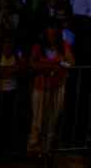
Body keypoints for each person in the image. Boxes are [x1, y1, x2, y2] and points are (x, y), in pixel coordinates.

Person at [27, 21, 75, 155]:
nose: (52, 35)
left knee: (52, 119)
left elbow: (71, 62)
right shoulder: (38, 46)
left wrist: (61, 64)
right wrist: (48, 66)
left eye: (54, 32)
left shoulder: (64, 45)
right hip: (41, 87)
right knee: (38, 119)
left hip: (57, 87)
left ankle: (46, 148)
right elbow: (32, 63)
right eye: (50, 32)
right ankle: (33, 147)